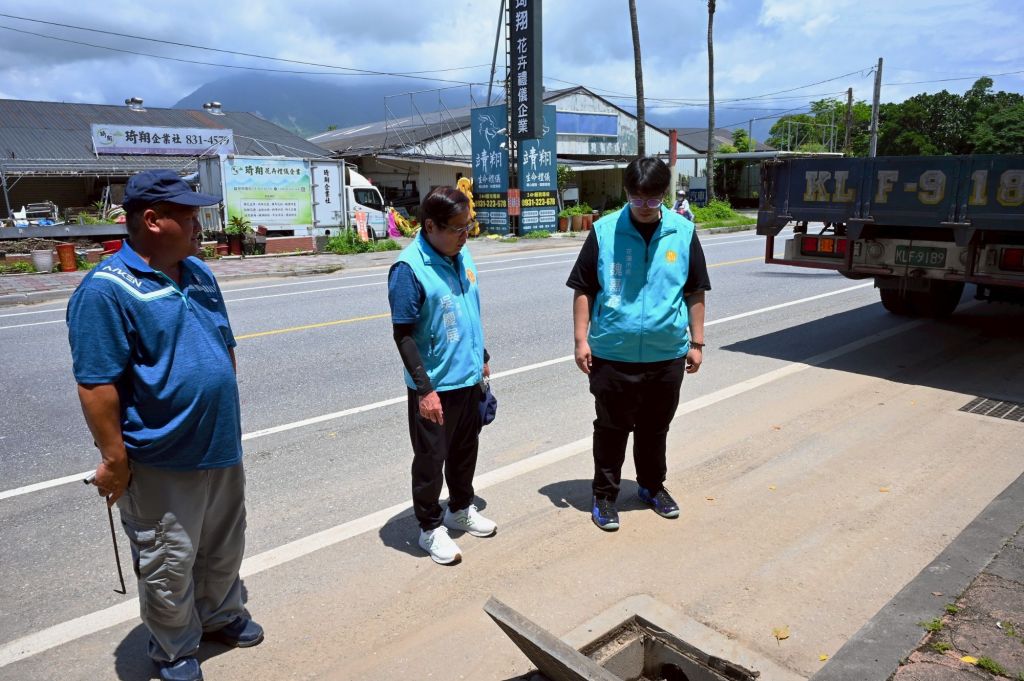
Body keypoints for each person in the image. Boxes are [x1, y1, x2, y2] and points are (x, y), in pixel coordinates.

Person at [67, 170, 262, 681]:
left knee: (223, 542)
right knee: (168, 559)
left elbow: (223, 343)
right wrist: (115, 459)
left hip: (219, 444)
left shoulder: (198, 273)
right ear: (152, 220)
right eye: (190, 216)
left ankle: (220, 615)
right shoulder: (106, 291)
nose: (201, 226)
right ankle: (174, 648)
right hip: (161, 456)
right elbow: (96, 385)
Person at [566, 157, 710, 531]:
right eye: (636, 199)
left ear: (665, 194)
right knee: (611, 429)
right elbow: (584, 288)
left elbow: (695, 290)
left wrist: (697, 342)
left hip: (667, 352)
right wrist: (581, 341)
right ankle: (604, 496)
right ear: (627, 193)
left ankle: (652, 487)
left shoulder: (682, 231)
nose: (644, 207)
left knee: (655, 428)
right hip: (613, 352)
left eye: (653, 199)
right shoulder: (604, 231)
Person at [388, 186, 496, 565]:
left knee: (465, 451)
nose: (465, 235)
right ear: (431, 226)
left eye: (469, 226)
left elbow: (468, 311)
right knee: (431, 460)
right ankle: (429, 527)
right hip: (435, 386)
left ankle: (460, 508)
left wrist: (481, 357)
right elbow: (403, 334)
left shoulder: (461, 254)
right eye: (457, 228)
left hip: (468, 377)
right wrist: (425, 390)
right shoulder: (409, 269)